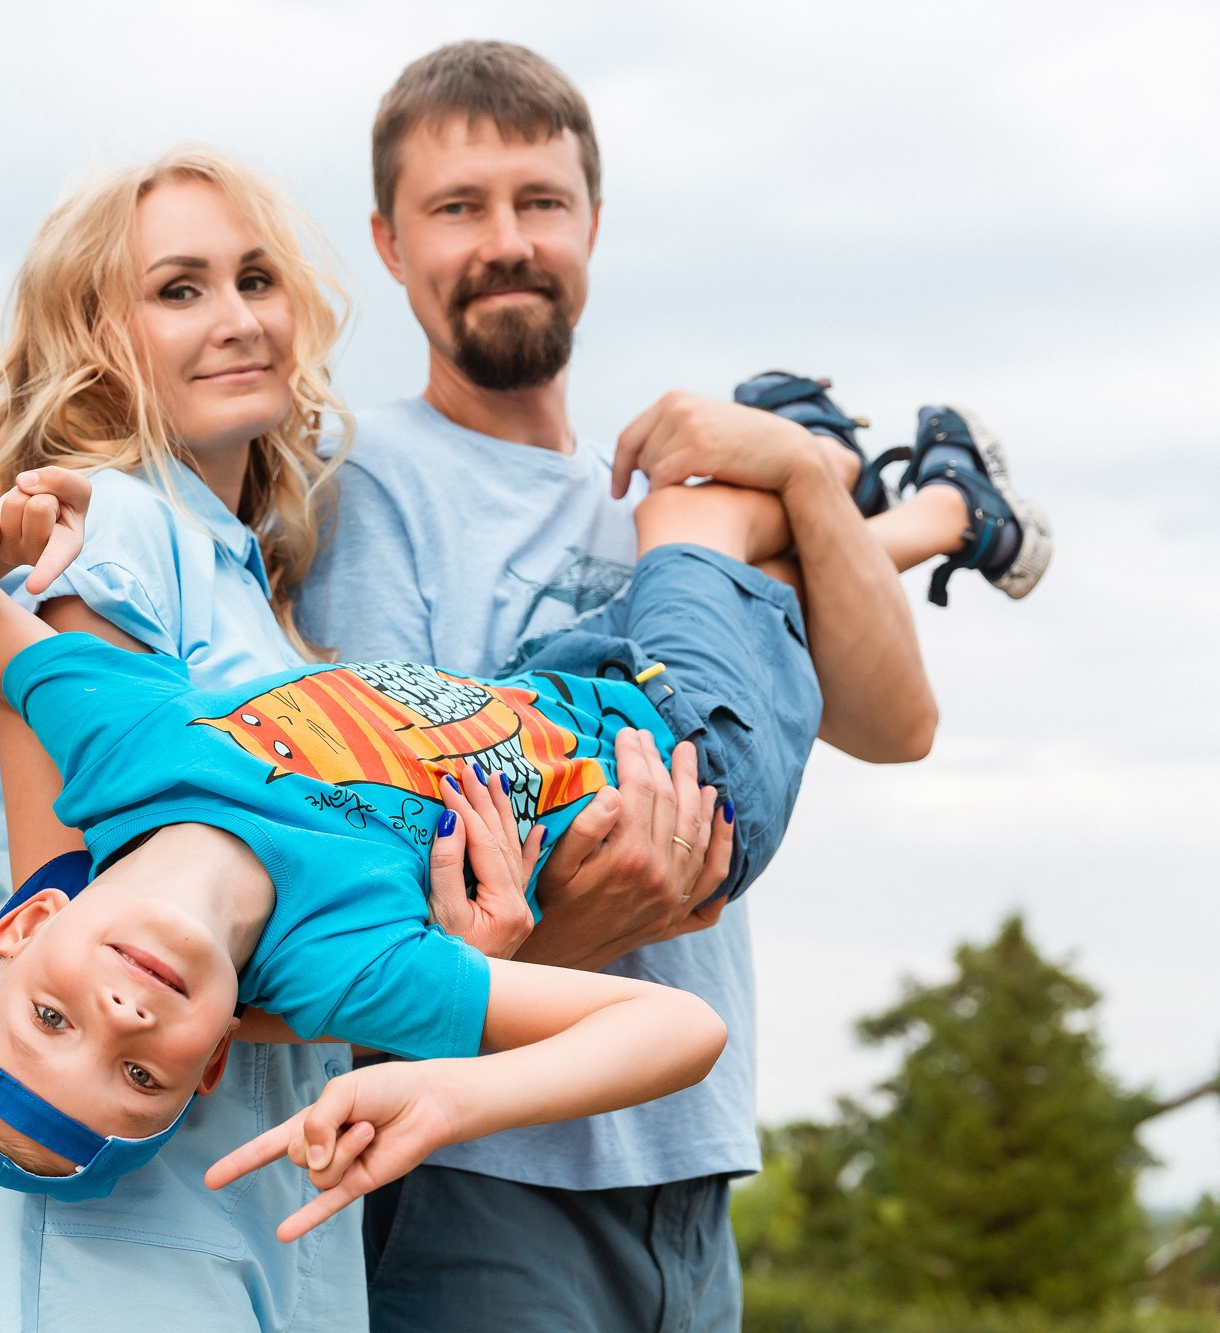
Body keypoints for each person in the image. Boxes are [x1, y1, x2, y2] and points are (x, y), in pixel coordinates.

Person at [297, 41, 1053, 1333]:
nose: (505, 240)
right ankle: (936, 506)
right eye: (457, 207)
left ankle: (903, 494)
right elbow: (395, 840)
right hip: (483, 1162)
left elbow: (892, 722)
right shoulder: (371, 489)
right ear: (386, 239)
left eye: (539, 201)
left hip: (687, 1152)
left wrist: (804, 479)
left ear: (592, 221)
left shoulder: (669, 496)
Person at [0, 452, 849, 1238]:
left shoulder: (123, 751)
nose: (122, 1016)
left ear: (28, 921)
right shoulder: (343, 965)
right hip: (682, 765)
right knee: (699, 500)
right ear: (210, 1064)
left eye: (52, 1018)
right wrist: (453, 1095)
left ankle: (881, 512)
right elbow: (683, 1029)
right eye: (141, 1075)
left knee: (777, 574)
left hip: (555, 684)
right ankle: (841, 459)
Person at [0, 147, 375, 1333]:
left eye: (254, 278)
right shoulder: (111, 537)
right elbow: (88, 925)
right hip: (94, 1224)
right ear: (96, 337)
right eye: (178, 289)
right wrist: (411, 965)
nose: (237, 319)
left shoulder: (246, 583)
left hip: (247, 1205)